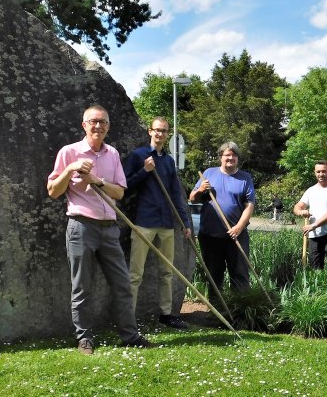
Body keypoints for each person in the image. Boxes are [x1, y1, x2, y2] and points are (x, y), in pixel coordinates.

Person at [47, 104, 151, 355]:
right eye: (93, 121)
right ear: (84, 125)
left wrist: (97, 181)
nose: (98, 126)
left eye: (103, 122)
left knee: (122, 284)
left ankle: (130, 336)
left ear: (108, 127)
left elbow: (119, 192)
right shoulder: (69, 152)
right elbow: (53, 192)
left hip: (109, 227)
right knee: (81, 286)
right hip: (81, 226)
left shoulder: (112, 154)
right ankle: (84, 338)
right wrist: (71, 169)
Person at [123, 117, 192, 329]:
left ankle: (166, 314)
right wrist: (144, 171)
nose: (160, 134)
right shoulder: (139, 156)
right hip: (144, 221)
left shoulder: (169, 161)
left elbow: (175, 194)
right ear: (149, 131)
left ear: (167, 134)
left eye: (164, 131)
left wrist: (185, 221)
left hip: (166, 223)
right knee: (135, 273)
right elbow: (123, 185)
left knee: (167, 272)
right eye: (157, 130)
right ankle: (128, 318)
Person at [189, 142, 256, 300]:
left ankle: (240, 312)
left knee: (240, 275)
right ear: (220, 157)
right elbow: (192, 199)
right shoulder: (209, 173)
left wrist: (239, 227)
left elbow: (249, 206)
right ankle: (216, 313)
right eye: (227, 155)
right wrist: (200, 190)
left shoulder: (245, 178)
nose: (230, 158)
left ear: (237, 158)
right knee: (214, 276)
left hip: (236, 236)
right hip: (211, 236)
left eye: (233, 155)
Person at [294, 160, 327, 269]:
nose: (321, 174)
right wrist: (300, 211)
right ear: (315, 172)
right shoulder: (310, 191)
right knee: (315, 272)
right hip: (314, 237)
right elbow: (297, 206)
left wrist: (313, 226)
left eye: (324, 171)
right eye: (318, 172)